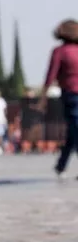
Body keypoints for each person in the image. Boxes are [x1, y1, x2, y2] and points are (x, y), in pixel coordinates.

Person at [45, 19, 78, 178]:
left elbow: (51, 75)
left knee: (74, 130)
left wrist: (43, 96)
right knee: (75, 129)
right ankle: (61, 165)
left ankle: (61, 165)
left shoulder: (59, 51)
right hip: (72, 96)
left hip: (70, 95)